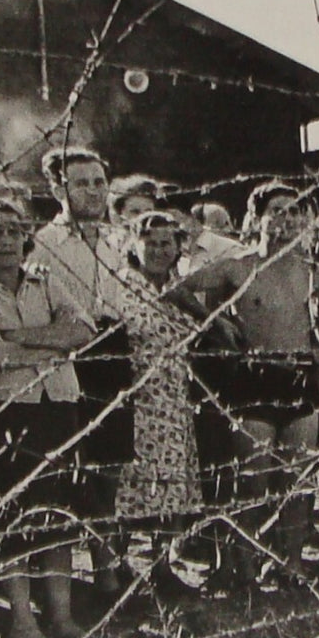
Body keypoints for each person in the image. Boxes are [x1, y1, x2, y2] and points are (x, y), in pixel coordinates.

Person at [172, 181, 319, 584]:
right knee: (253, 478)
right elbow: (180, 289)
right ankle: (246, 562)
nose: (287, 220)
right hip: (254, 377)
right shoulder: (239, 266)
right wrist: (218, 324)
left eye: (294, 211)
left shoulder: (309, 272)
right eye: (277, 211)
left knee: (297, 476)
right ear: (257, 219)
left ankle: (291, 561)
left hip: (299, 374)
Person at [0, 195, 94, 638]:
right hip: (6, 411)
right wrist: (51, 347)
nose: (8, 240)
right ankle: (22, 623)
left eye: (14, 230)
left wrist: (18, 337)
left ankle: (62, 616)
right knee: (13, 517)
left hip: (59, 405)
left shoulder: (46, 279)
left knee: (58, 513)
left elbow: (83, 333)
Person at [27, 146, 131, 596]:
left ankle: (109, 576)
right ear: (57, 188)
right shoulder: (41, 244)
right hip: (65, 359)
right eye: (81, 183)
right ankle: (61, 583)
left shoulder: (120, 239)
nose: (93, 191)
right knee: (67, 472)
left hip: (115, 353)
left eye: (99, 182)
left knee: (110, 469)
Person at [113, 212, 208, 593]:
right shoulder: (121, 285)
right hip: (134, 397)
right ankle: (118, 567)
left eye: (166, 243)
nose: (158, 250)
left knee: (170, 483)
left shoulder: (181, 287)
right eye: (150, 242)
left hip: (173, 398)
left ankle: (161, 565)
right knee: (130, 484)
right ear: (135, 245)